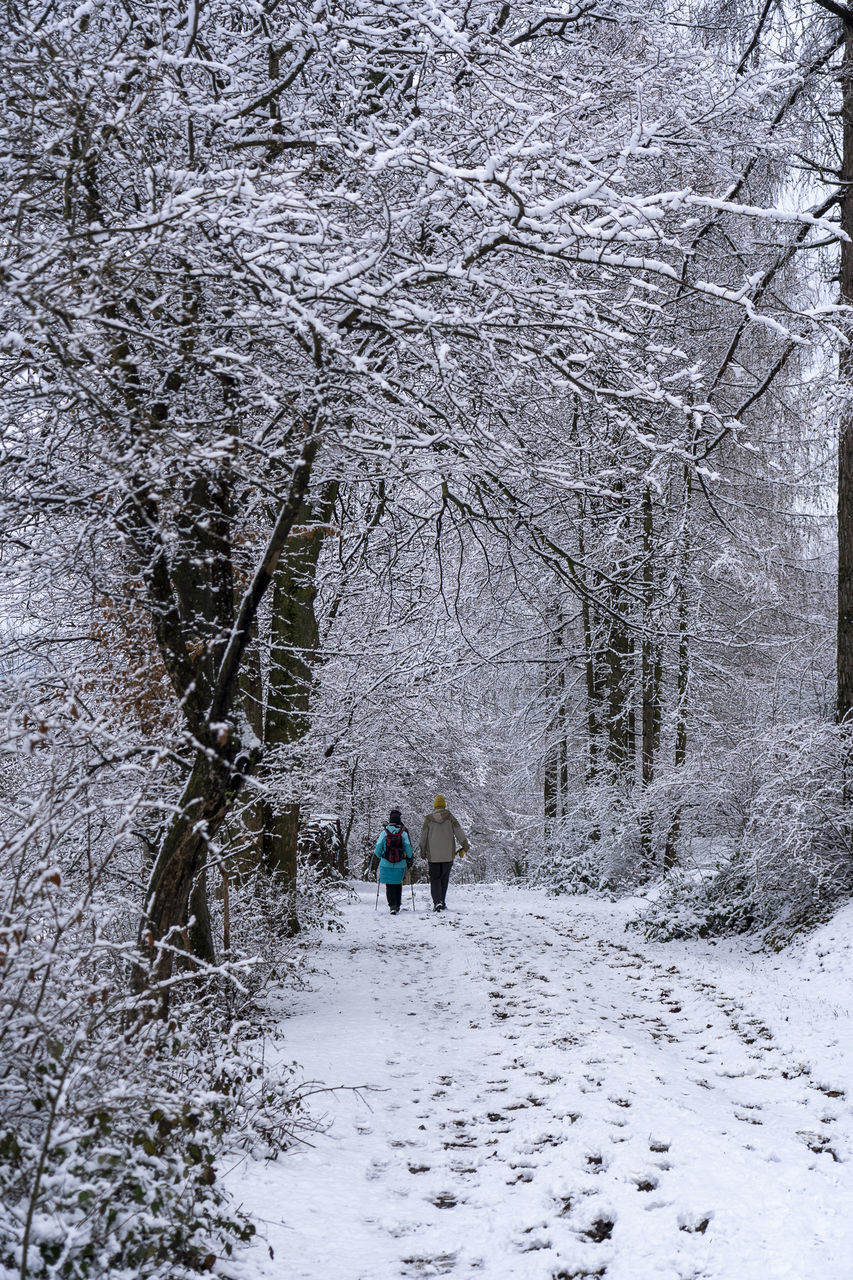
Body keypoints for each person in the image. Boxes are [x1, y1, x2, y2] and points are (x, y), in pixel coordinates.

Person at [419, 794, 469, 912]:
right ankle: (442, 901)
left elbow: (423, 837)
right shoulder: (450, 818)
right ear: (444, 805)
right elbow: (459, 832)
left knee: (435, 879)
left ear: (435, 805)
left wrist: (422, 851)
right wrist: (465, 846)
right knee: (444, 879)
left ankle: (437, 902)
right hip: (448, 856)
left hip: (433, 856)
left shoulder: (428, 819)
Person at [374, 808, 414, 914]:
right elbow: (409, 851)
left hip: (385, 863)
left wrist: (382, 855)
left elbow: (377, 851)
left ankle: (392, 905)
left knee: (389, 885)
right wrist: (408, 858)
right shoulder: (403, 833)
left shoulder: (384, 833)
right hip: (400, 864)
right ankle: (397, 904)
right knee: (397, 884)